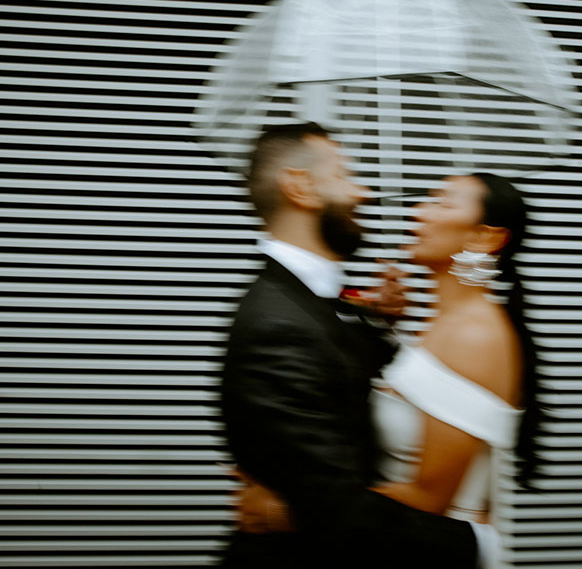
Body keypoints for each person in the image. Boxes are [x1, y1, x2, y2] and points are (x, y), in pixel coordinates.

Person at [231, 145, 543, 565]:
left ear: (483, 236)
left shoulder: (474, 334)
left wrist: (288, 511)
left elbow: (428, 499)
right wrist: (380, 322)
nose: (418, 211)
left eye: (441, 202)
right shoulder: (439, 324)